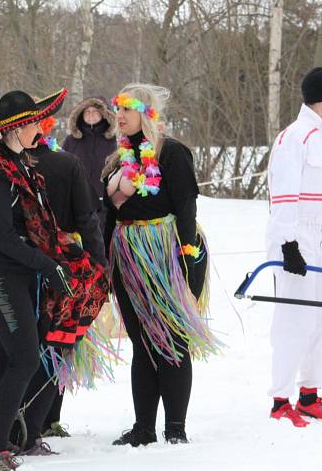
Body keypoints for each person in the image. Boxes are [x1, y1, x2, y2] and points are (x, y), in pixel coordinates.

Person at [0, 88, 109, 471]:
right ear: (15, 128)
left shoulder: (17, 163)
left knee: (8, 361)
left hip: (16, 272)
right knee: (26, 358)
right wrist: (48, 265)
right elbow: (3, 235)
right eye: (32, 122)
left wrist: (57, 258)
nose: (39, 128)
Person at [103, 83, 215, 447]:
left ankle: (175, 428)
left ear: (147, 113)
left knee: (172, 340)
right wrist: (105, 261)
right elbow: (107, 213)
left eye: (127, 110)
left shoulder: (172, 153)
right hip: (127, 255)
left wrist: (185, 256)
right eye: (117, 109)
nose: (118, 116)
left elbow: (185, 205)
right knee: (142, 342)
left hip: (163, 252)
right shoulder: (118, 158)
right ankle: (143, 428)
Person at [266, 67, 322, 427]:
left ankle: (309, 395)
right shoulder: (294, 137)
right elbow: (283, 194)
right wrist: (288, 245)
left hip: (316, 235)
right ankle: (280, 400)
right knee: (295, 318)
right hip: (294, 235)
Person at [27, 117, 107, 439]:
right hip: (64, 265)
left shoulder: (7, 165)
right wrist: (99, 264)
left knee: (22, 344)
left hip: (18, 265)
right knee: (58, 339)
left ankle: (19, 414)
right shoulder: (67, 163)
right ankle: (47, 418)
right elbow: (87, 217)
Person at [62, 97, 117, 231]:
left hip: (107, 203)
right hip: (79, 203)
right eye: (87, 112)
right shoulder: (71, 141)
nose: (91, 114)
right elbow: (63, 169)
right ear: (80, 115)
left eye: (95, 111)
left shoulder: (114, 140)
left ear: (104, 115)